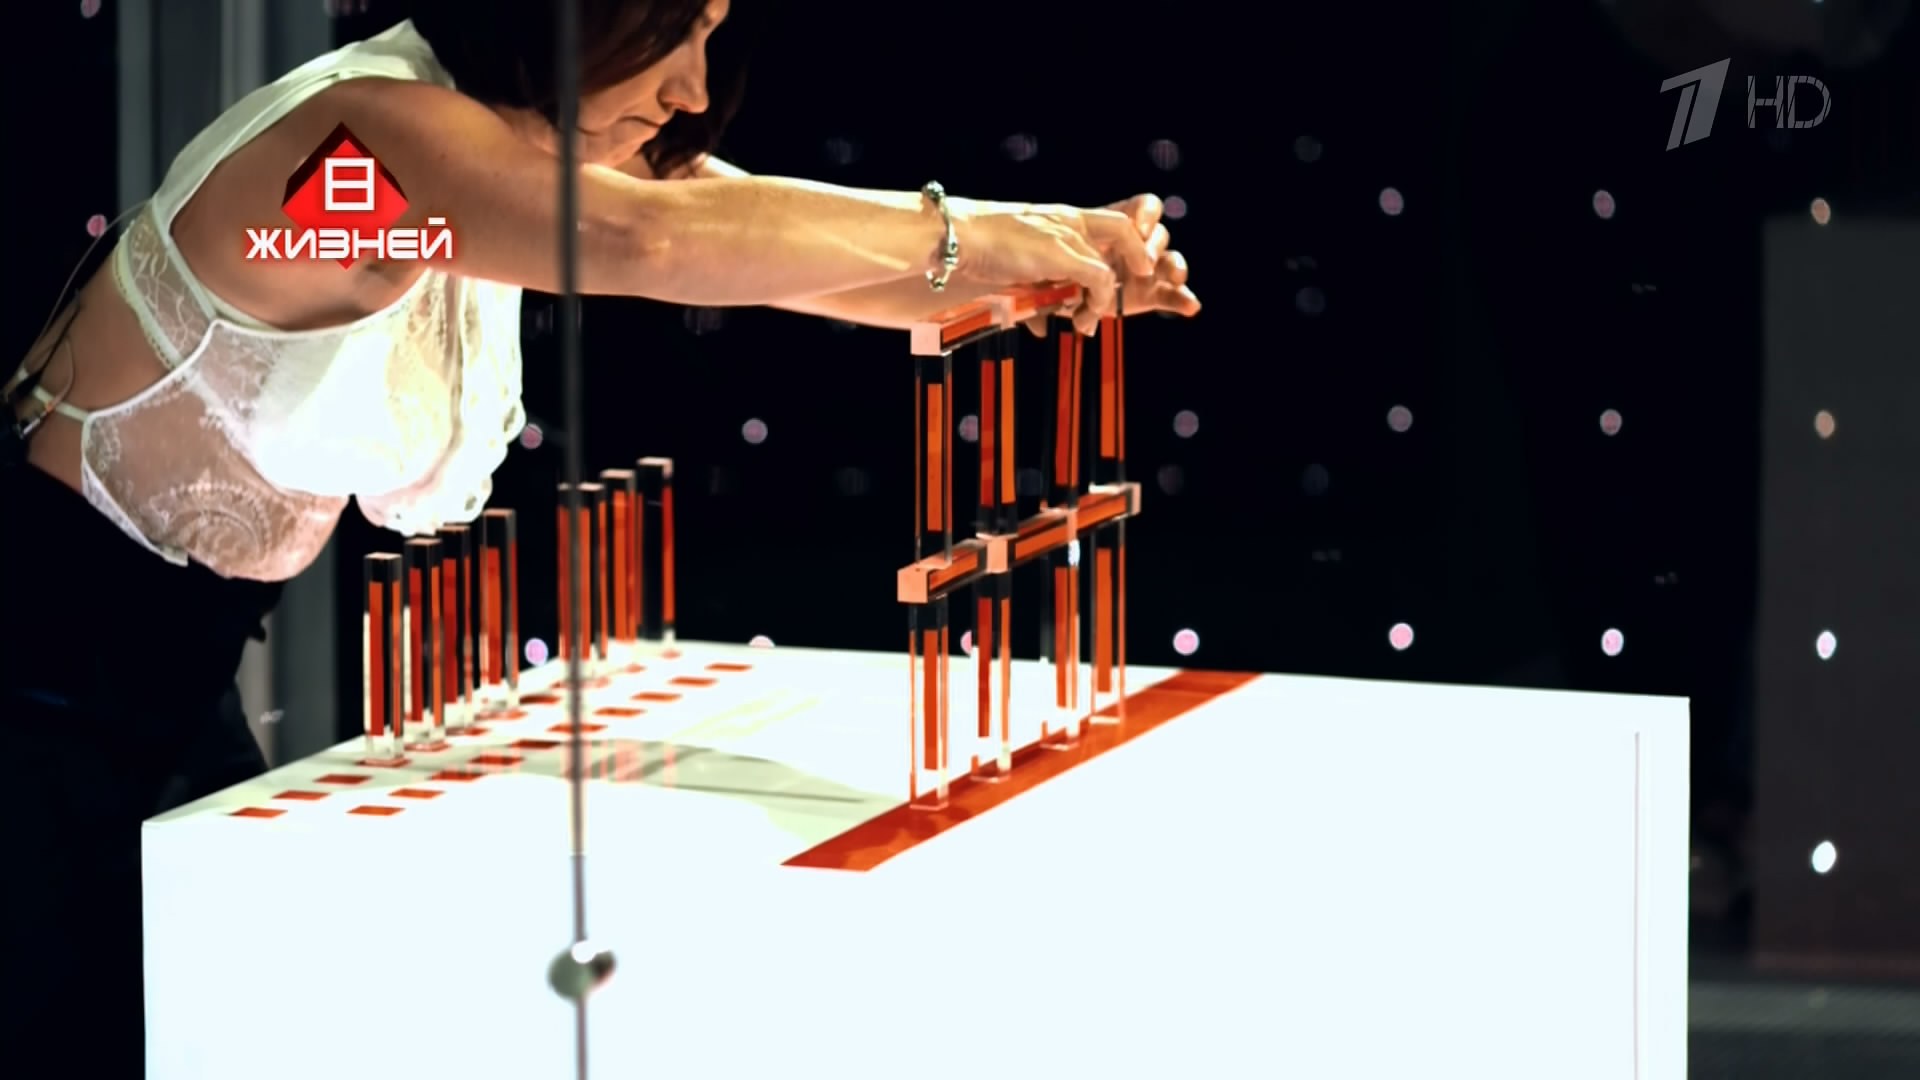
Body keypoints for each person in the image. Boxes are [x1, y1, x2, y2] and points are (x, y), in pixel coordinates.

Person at [0, 0, 1199, 1071]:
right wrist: (976, 240)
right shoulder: (358, 148)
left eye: (710, 39)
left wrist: (1051, 244)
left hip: (152, 688)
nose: (690, 87)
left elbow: (791, 259)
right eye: (669, 36)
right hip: (35, 695)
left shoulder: (497, 147)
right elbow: (643, 241)